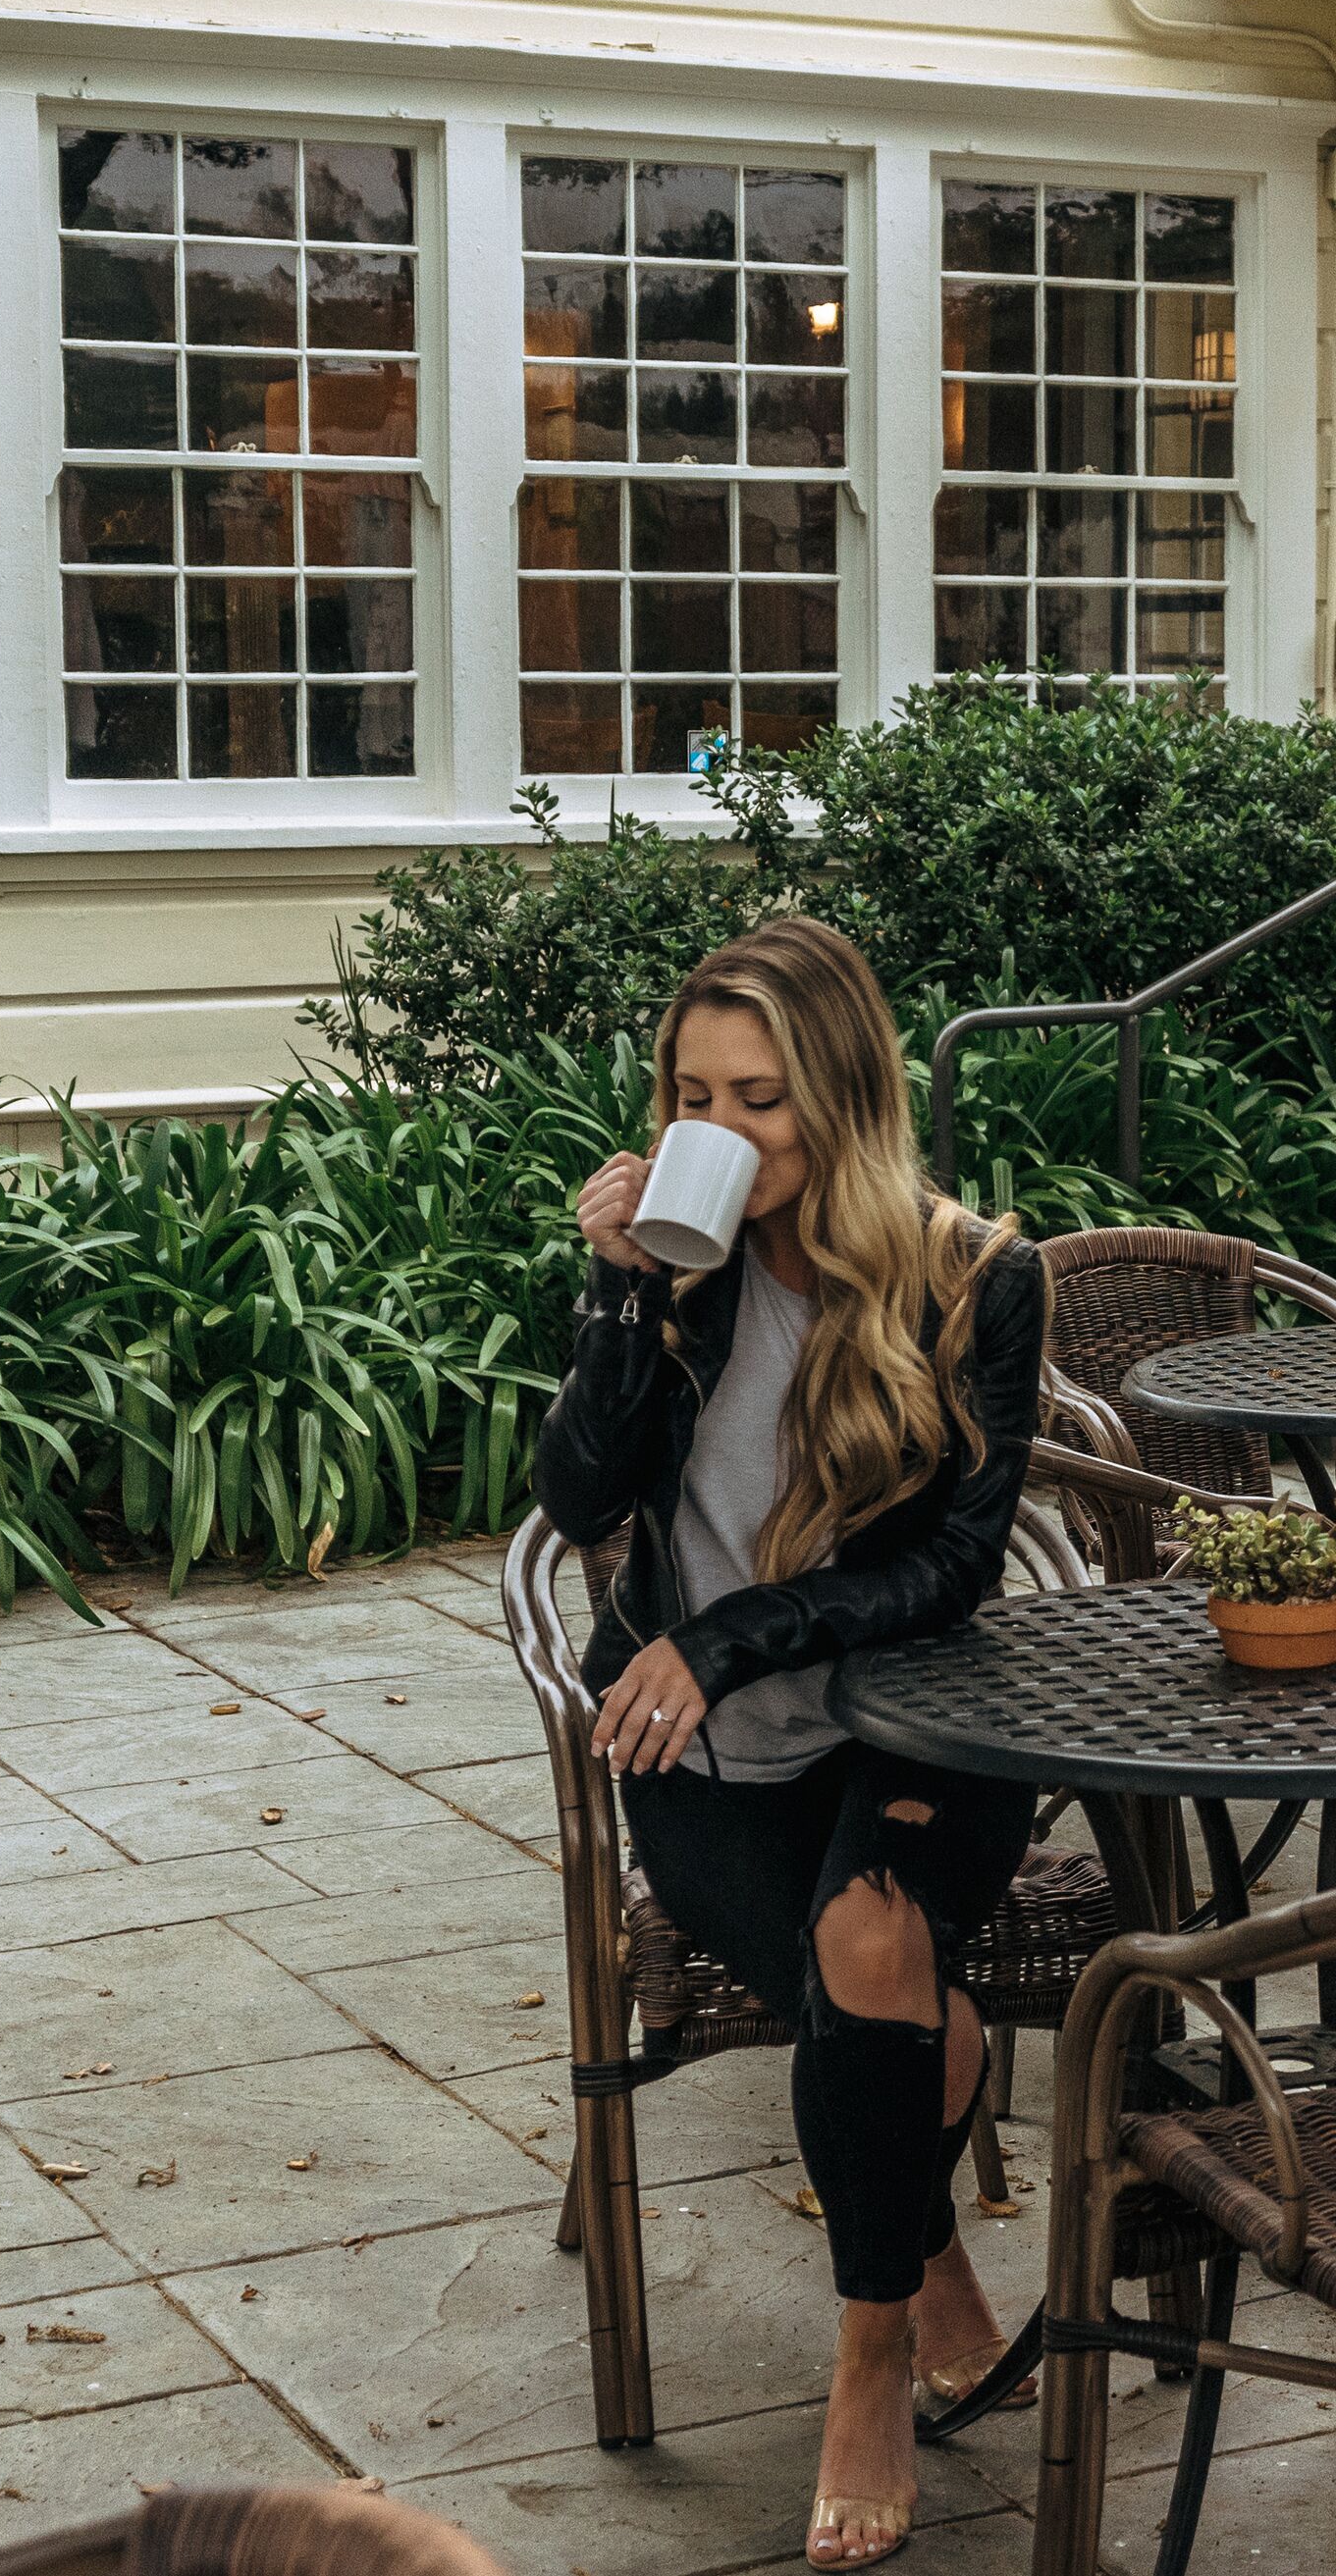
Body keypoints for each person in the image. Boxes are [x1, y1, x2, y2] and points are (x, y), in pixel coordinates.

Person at [535, 917, 1050, 2571]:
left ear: (839, 1095)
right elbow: (577, 1502)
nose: (721, 1130)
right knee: (902, 2024)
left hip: (921, 1721)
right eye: (691, 1092)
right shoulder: (677, 1279)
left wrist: (726, 1633)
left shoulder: (977, 1273)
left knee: (870, 1936)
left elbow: (954, 1565)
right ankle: (929, 2257)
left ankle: (869, 2356)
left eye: (759, 1098)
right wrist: (622, 1296)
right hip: (703, 1761)